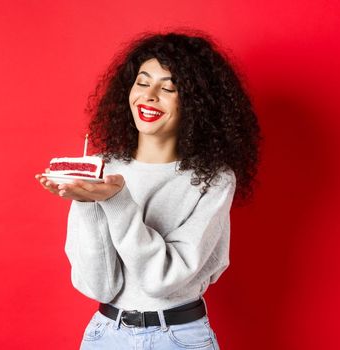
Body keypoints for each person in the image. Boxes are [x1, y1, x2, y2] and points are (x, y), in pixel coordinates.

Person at [34, 30, 261, 349]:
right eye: (142, 82)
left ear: (196, 103)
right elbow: (99, 286)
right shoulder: (100, 169)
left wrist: (116, 200)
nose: (150, 96)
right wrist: (86, 202)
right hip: (105, 335)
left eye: (168, 87)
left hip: (179, 337)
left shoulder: (213, 180)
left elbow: (162, 280)